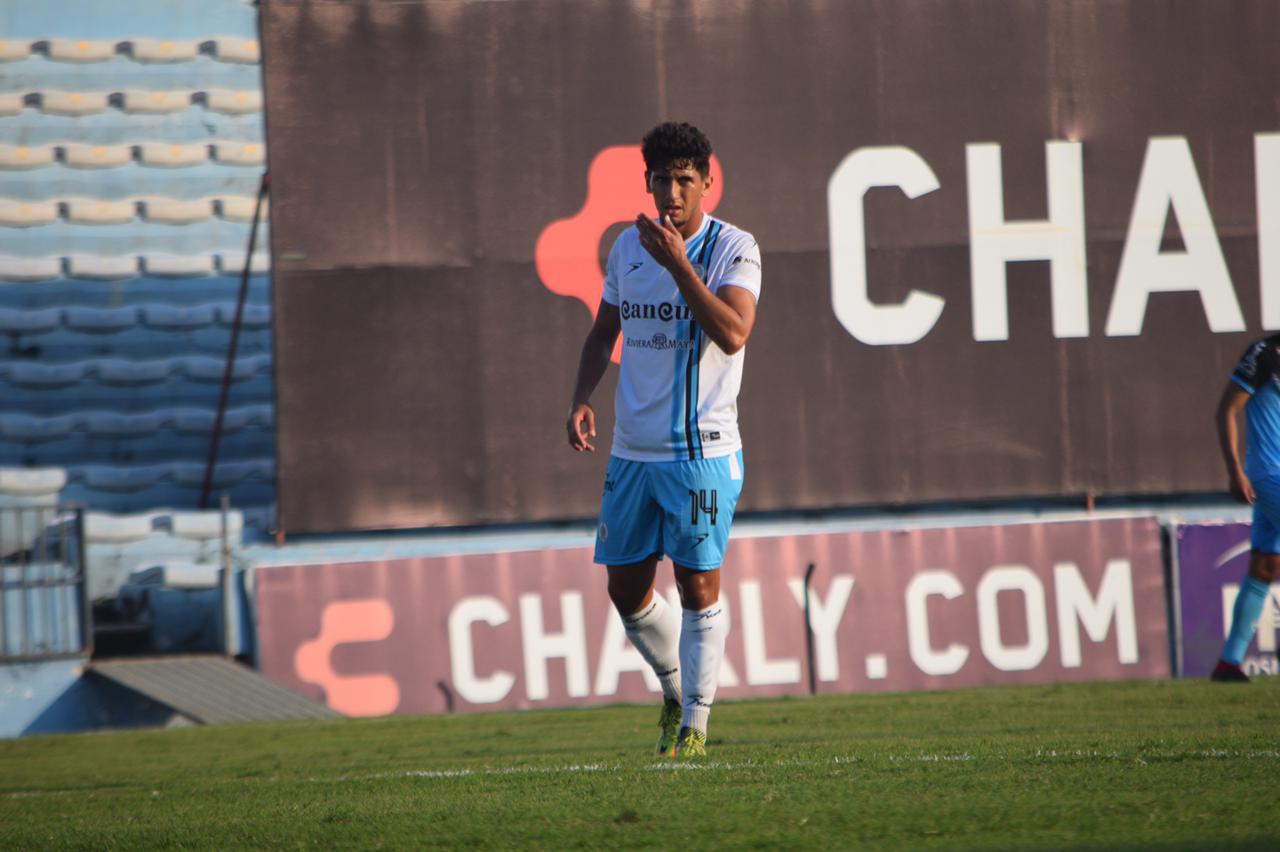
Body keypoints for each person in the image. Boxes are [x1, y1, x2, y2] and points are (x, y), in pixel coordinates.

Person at [565, 122, 761, 756]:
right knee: (625, 590)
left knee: (697, 588)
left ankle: (695, 731)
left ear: (707, 181)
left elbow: (733, 332)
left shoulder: (734, 248)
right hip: (632, 450)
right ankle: (677, 690)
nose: (672, 192)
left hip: (700, 450)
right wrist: (581, 397)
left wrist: (679, 266)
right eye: (661, 180)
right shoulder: (628, 246)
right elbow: (604, 332)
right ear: (647, 182)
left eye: (684, 179)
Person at [1212, 334, 1280, 681]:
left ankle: (1229, 663)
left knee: (1266, 565)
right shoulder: (1266, 354)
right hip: (1271, 474)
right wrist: (1234, 470)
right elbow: (1227, 409)